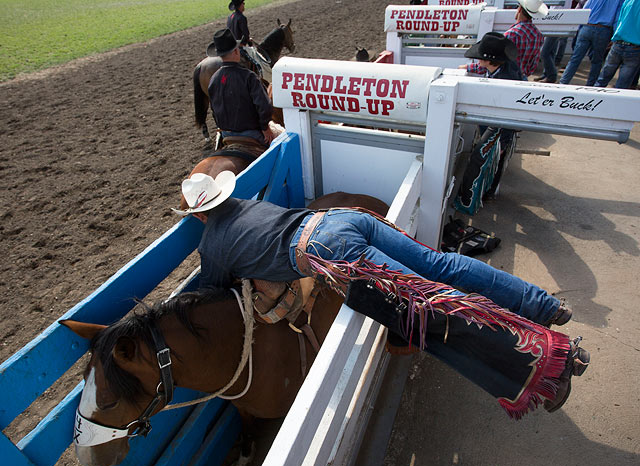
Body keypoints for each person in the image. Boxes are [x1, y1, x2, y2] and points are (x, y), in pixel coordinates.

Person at [172, 171, 591, 418]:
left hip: (330, 253)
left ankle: (552, 363)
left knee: (434, 308)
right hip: (343, 221)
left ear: (198, 214)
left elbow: (213, 291)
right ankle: (544, 305)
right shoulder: (248, 205)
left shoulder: (213, 243)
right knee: (443, 267)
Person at [456, 33, 522, 215]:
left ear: (489, 61)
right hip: (497, 122)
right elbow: (482, 70)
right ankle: (488, 190)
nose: (479, 59)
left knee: (488, 157)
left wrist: (503, 141)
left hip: (500, 126)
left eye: (481, 58)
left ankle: (486, 192)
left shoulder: (506, 81)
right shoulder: (504, 69)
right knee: (490, 157)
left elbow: (509, 115)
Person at [207, 28, 274, 146]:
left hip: (226, 134)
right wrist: (265, 128)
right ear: (236, 51)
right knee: (283, 144)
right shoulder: (249, 77)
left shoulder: (214, 79)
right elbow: (265, 106)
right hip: (251, 134)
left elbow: (214, 111)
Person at [465, 0, 547, 80]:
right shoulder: (538, 35)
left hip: (505, 77)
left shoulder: (511, 34)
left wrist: (467, 67)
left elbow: (493, 63)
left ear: (519, 9)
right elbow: (533, 65)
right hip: (522, 77)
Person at [559, 0, 624, 86]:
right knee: (597, 61)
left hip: (587, 26)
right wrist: (615, 36)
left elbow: (585, 9)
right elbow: (617, 17)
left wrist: (579, 27)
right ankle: (590, 86)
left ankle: (563, 82)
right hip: (603, 29)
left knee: (575, 58)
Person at [594, 0, 640, 89]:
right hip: (634, 47)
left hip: (618, 43)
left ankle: (593, 98)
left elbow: (619, 20)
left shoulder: (628, 1)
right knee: (623, 85)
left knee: (602, 79)